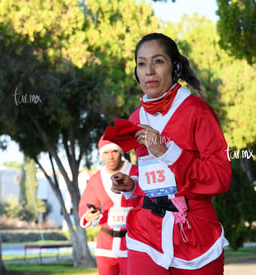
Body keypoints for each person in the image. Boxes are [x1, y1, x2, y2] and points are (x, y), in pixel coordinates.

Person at [110, 33, 232, 275]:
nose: (149, 71)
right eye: (142, 64)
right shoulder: (135, 119)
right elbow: (152, 175)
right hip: (145, 233)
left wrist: (167, 152)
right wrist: (133, 184)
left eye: (158, 61)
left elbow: (221, 177)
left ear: (174, 67)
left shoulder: (198, 111)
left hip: (195, 236)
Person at [78, 136, 139, 275]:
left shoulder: (136, 172)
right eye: (105, 153)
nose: (110, 157)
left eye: (114, 152)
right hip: (106, 245)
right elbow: (84, 207)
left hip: (133, 242)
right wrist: (87, 216)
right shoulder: (95, 179)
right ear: (101, 154)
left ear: (121, 152)